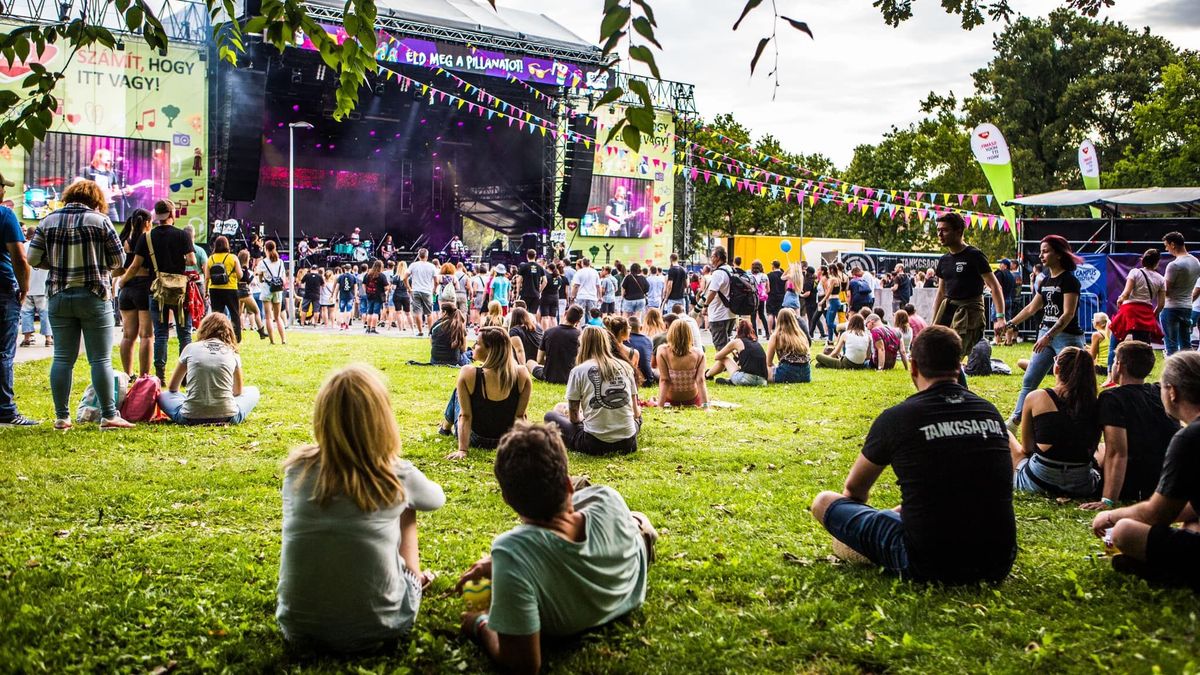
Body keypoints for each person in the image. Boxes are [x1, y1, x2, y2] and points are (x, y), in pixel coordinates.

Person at [810, 326, 1017, 584]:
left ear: (914, 368)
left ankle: (862, 549)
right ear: (959, 365)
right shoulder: (990, 412)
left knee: (824, 502)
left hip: (929, 561)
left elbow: (854, 491)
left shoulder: (897, 418)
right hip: (997, 560)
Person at [456, 422, 654, 674]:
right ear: (569, 484)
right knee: (634, 519)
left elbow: (523, 663)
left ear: (508, 500)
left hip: (591, 598)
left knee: (634, 520)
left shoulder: (511, 551)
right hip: (631, 579)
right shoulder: (607, 497)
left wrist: (480, 624)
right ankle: (641, 526)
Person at [276, 365, 445, 653]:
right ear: (382, 419)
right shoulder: (395, 475)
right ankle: (413, 580)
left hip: (299, 628)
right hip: (383, 626)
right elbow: (436, 499)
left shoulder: (297, 471)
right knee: (407, 509)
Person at [1089, 351, 1200, 590]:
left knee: (1125, 531)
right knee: (1192, 524)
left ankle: (1172, 574)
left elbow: (1158, 514)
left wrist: (1109, 516)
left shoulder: (1189, 438)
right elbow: (1188, 506)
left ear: (1172, 392)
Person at [27, 180, 133, 429]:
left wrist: (53, 265)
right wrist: (100, 264)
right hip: (94, 295)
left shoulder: (48, 221)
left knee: (63, 358)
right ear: (96, 200)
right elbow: (119, 259)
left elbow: (32, 257)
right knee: (100, 360)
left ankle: (62, 417)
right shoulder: (101, 221)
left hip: (59, 295)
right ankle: (109, 415)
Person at [1080, 341, 1177, 510]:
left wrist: (1108, 500)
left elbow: (1118, 451)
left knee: (1101, 450)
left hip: (1137, 484)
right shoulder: (1159, 391)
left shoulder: (1112, 398)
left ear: (1120, 366)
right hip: (1168, 477)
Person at [1006, 235, 1087, 426]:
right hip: (1046, 335)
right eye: (1041, 251)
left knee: (1073, 385)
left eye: (1046, 251)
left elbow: (1068, 314)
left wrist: (1049, 336)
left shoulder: (1069, 281)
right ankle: (1015, 421)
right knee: (1029, 380)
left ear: (1059, 254)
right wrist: (1010, 324)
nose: (1041, 255)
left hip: (1067, 338)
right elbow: (1031, 308)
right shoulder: (1046, 281)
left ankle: (1079, 422)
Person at [1013, 346, 1101, 498]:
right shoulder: (1096, 402)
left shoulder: (1036, 397)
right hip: (1082, 483)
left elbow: (1026, 448)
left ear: (1057, 368)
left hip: (1038, 480)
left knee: (1006, 434)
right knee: (1103, 449)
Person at [123, 199, 195, 383]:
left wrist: (122, 282)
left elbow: (135, 265)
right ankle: (185, 375)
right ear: (172, 214)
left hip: (157, 289)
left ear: (157, 216)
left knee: (161, 333)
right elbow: (192, 260)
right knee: (184, 333)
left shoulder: (146, 237)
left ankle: (160, 375)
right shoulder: (182, 236)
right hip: (180, 290)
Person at [544, 325, 641, 454]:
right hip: (628, 442)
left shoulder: (578, 371)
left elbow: (574, 418)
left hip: (594, 443)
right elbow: (636, 412)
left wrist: (585, 417)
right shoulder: (625, 367)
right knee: (639, 419)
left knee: (550, 416)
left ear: (582, 345)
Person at [442, 327, 532, 460]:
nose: (473, 346)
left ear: (491, 349)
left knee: (458, 392)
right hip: (505, 440)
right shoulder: (522, 374)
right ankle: (445, 426)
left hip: (476, 438)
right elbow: (520, 417)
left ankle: (445, 427)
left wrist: (462, 450)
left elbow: (465, 416)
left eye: (477, 343)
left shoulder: (468, 373)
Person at [931, 213, 1007, 367]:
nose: (940, 234)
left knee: (952, 357)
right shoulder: (944, 260)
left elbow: (994, 286)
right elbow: (940, 292)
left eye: (944, 230)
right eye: (938, 230)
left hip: (969, 312)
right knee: (938, 353)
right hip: (948, 310)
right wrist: (934, 322)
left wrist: (1000, 318)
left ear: (958, 231)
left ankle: (954, 389)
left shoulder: (975, 255)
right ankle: (951, 388)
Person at [157, 313, 260, 425]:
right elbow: (238, 391)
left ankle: (196, 402)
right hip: (228, 416)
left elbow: (172, 388)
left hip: (189, 416)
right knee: (253, 390)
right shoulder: (231, 352)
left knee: (163, 395)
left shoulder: (190, 348)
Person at [0, 174, 36, 426]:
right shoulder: (5, 215)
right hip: (2, 289)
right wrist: (24, 288)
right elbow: (20, 258)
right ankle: (5, 410)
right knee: (3, 351)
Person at [114, 209, 152, 377]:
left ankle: (127, 374)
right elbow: (137, 265)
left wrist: (121, 280)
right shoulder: (147, 240)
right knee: (146, 335)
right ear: (147, 223)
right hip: (144, 287)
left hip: (126, 290)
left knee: (128, 335)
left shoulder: (124, 241)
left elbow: (118, 268)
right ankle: (144, 376)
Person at [1160, 232, 1200, 356]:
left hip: (1171, 308)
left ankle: (1174, 374)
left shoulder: (1174, 265)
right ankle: (1190, 372)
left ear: (1173, 244)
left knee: (1171, 346)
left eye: (1166, 246)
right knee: (1186, 345)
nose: (1166, 249)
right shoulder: (1196, 262)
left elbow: (1167, 291)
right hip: (1187, 307)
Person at [654, 319, 709, 406]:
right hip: (692, 399)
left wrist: (660, 405)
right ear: (689, 334)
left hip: (670, 399)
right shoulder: (699, 353)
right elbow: (700, 380)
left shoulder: (662, 351)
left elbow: (665, 380)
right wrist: (706, 406)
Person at [528, 304, 583, 384]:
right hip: (570, 377)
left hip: (548, 375)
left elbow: (539, 359)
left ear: (565, 314)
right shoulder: (580, 336)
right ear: (578, 321)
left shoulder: (548, 332)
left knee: (530, 362)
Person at [705, 319, 769, 386]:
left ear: (738, 329)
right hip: (762, 381)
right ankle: (730, 381)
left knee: (725, 358)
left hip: (745, 379)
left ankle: (707, 375)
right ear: (751, 331)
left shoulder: (737, 341)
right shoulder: (756, 343)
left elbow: (717, 357)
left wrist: (730, 349)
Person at [18, 225, 52, 349]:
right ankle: (48, 339)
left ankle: (27, 338)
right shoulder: (45, 247)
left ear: (27, 236)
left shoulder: (23, 247)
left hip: (27, 286)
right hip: (42, 287)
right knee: (45, 313)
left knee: (26, 312)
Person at [205, 236, 243, 342]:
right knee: (234, 313)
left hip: (214, 289)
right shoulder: (233, 258)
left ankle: (216, 336)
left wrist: (205, 291)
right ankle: (236, 338)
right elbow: (240, 275)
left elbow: (207, 277)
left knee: (216, 315)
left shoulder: (211, 258)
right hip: (230, 289)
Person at [703, 246, 737, 351]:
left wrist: (705, 306)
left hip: (719, 314)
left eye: (712, 256)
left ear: (718, 257)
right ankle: (735, 363)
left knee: (720, 347)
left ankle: (731, 367)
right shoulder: (731, 269)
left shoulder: (718, 273)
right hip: (731, 313)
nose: (711, 259)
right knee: (726, 345)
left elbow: (713, 291)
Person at [766, 308, 811, 384]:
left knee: (765, 370)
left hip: (787, 372)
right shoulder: (801, 335)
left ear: (778, 319)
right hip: (805, 374)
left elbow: (768, 362)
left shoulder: (776, 336)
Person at [260, 240, 288, 345]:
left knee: (268, 316)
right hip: (278, 290)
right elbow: (283, 277)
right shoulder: (280, 262)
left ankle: (272, 340)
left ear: (266, 249)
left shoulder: (263, 262)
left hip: (267, 289)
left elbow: (260, 276)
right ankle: (283, 339)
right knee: (278, 316)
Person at [236, 250, 268, 340]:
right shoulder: (244, 267)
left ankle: (236, 332)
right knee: (256, 311)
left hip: (237, 292)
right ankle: (261, 331)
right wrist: (254, 274)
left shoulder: (236, 266)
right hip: (245, 293)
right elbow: (247, 280)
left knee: (238, 314)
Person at [407, 248, 438, 336]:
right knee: (429, 313)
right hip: (427, 291)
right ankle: (430, 332)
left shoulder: (413, 265)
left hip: (416, 290)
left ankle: (420, 331)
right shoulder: (431, 266)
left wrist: (409, 288)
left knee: (417, 312)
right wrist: (435, 289)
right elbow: (436, 280)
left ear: (418, 255)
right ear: (427, 256)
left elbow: (404, 277)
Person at [430, 302, 470, 366]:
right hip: (454, 361)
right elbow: (463, 349)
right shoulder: (458, 326)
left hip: (435, 360)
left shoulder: (436, 324)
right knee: (467, 355)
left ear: (445, 312)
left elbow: (432, 343)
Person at [624, 316, 657, 385]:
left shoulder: (624, 340)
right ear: (641, 328)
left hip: (631, 379)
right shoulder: (648, 340)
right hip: (648, 379)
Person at [361, 261, 388, 334]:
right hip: (378, 296)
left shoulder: (368, 274)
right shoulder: (381, 276)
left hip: (369, 295)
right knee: (376, 313)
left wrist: (366, 291)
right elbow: (386, 287)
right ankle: (373, 328)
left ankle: (368, 328)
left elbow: (363, 284)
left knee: (369, 312)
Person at [538, 265, 563, 329]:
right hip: (555, 298)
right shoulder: (559, 278)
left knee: (545, 317)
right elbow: (559, 288)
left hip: (546, 297)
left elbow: (544, 283)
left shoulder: (547, 277)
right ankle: (555, 332)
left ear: (548, 268)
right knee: (553, 317)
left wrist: (540, 291)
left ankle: (545, 332)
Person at [993, 259, 1016, 325]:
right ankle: (1008, 336)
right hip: (1009, 299)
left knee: (996, 321)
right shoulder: (1012, 276)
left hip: (999, 300)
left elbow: (996, 287)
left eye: (1001, 264)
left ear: (1005, 266)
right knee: (1008, 322)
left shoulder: (1000, 273)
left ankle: (998, 336)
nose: (1000, 265)